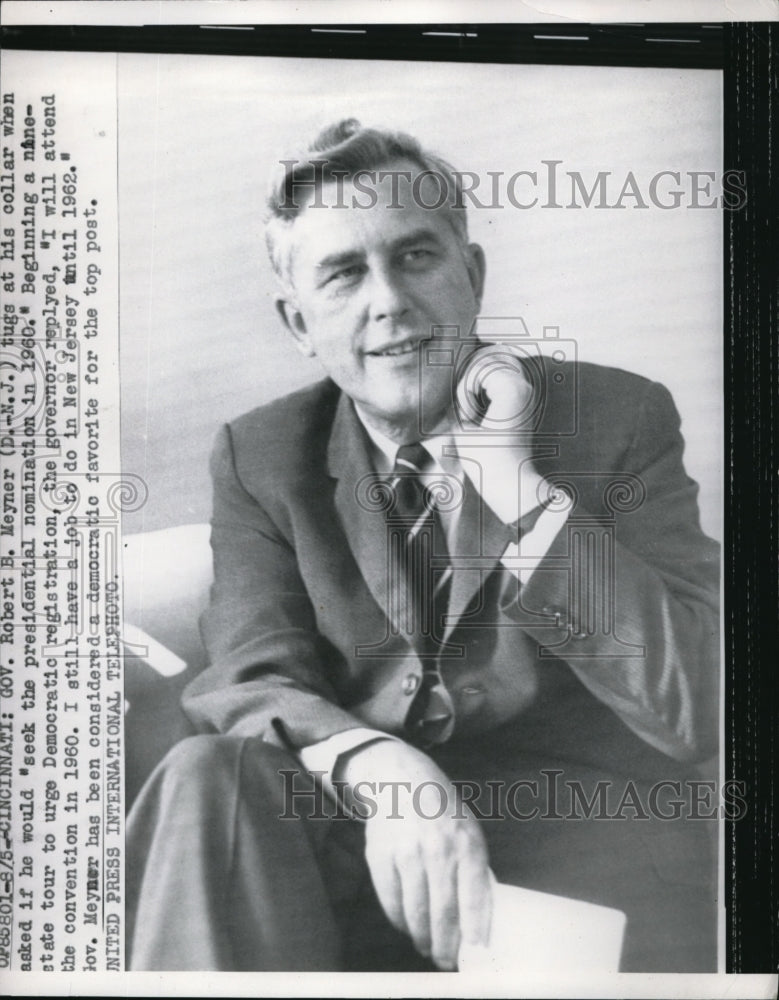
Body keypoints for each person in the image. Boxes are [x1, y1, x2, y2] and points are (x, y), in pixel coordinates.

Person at [126, 119, 720, 973]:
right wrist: (383, 771)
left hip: (577, 856)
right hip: (359, 851)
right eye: (343, 275)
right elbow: (252, 676)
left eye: (414, 257)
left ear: (470, 275)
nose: (389, 303)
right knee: (207, 777)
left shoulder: (618, 419)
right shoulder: (259, 456)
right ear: (298, 322)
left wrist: (518, 492)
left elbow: (700, 705)